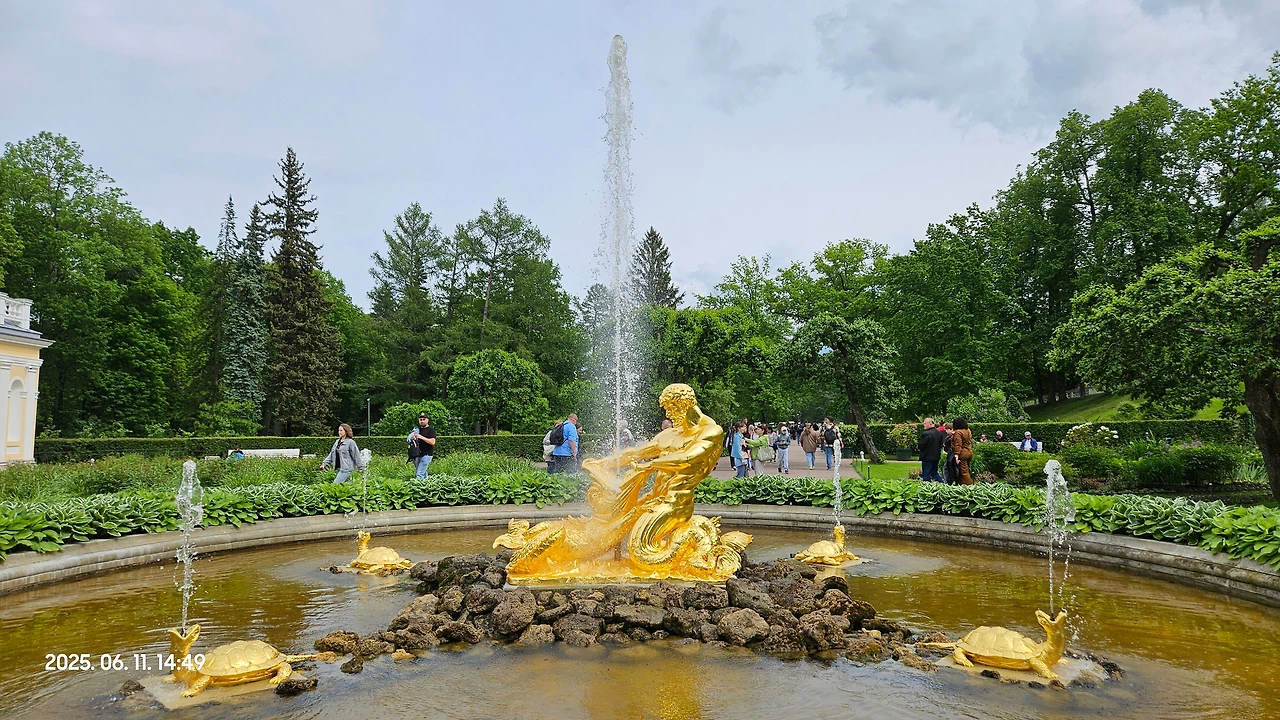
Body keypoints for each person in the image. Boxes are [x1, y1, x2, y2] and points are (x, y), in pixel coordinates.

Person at [408, 413, 437, 479]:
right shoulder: (417, 430)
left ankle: (417, 485)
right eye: (420, 419)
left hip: (427, 455)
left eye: (424, 419)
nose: (422, 421)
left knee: (419, 474)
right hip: (417, 455)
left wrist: (421, 437)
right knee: (423, 472)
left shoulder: (431, 430)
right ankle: (427, 483)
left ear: (427, 420)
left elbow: (433, 442)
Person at [917, 418, 945, 483]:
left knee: (926, 474)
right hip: (936, 456)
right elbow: (941, 445)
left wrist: (918, 447)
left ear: (930, 424)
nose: (924, 425)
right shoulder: (939, 433)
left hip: (927, 457)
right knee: (934, 472)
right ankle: (942, 484)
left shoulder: (926, 434)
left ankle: (926, 486)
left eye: (925, 423)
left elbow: (922, 445)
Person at [951, 417, 974, 485]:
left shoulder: (958, 432)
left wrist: (956, 456)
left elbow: (958, 445)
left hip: (962, 453)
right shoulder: (968, 430)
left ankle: (969, 486)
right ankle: (961, 484)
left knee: (964, 472)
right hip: (969, 451)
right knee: (964, 471)